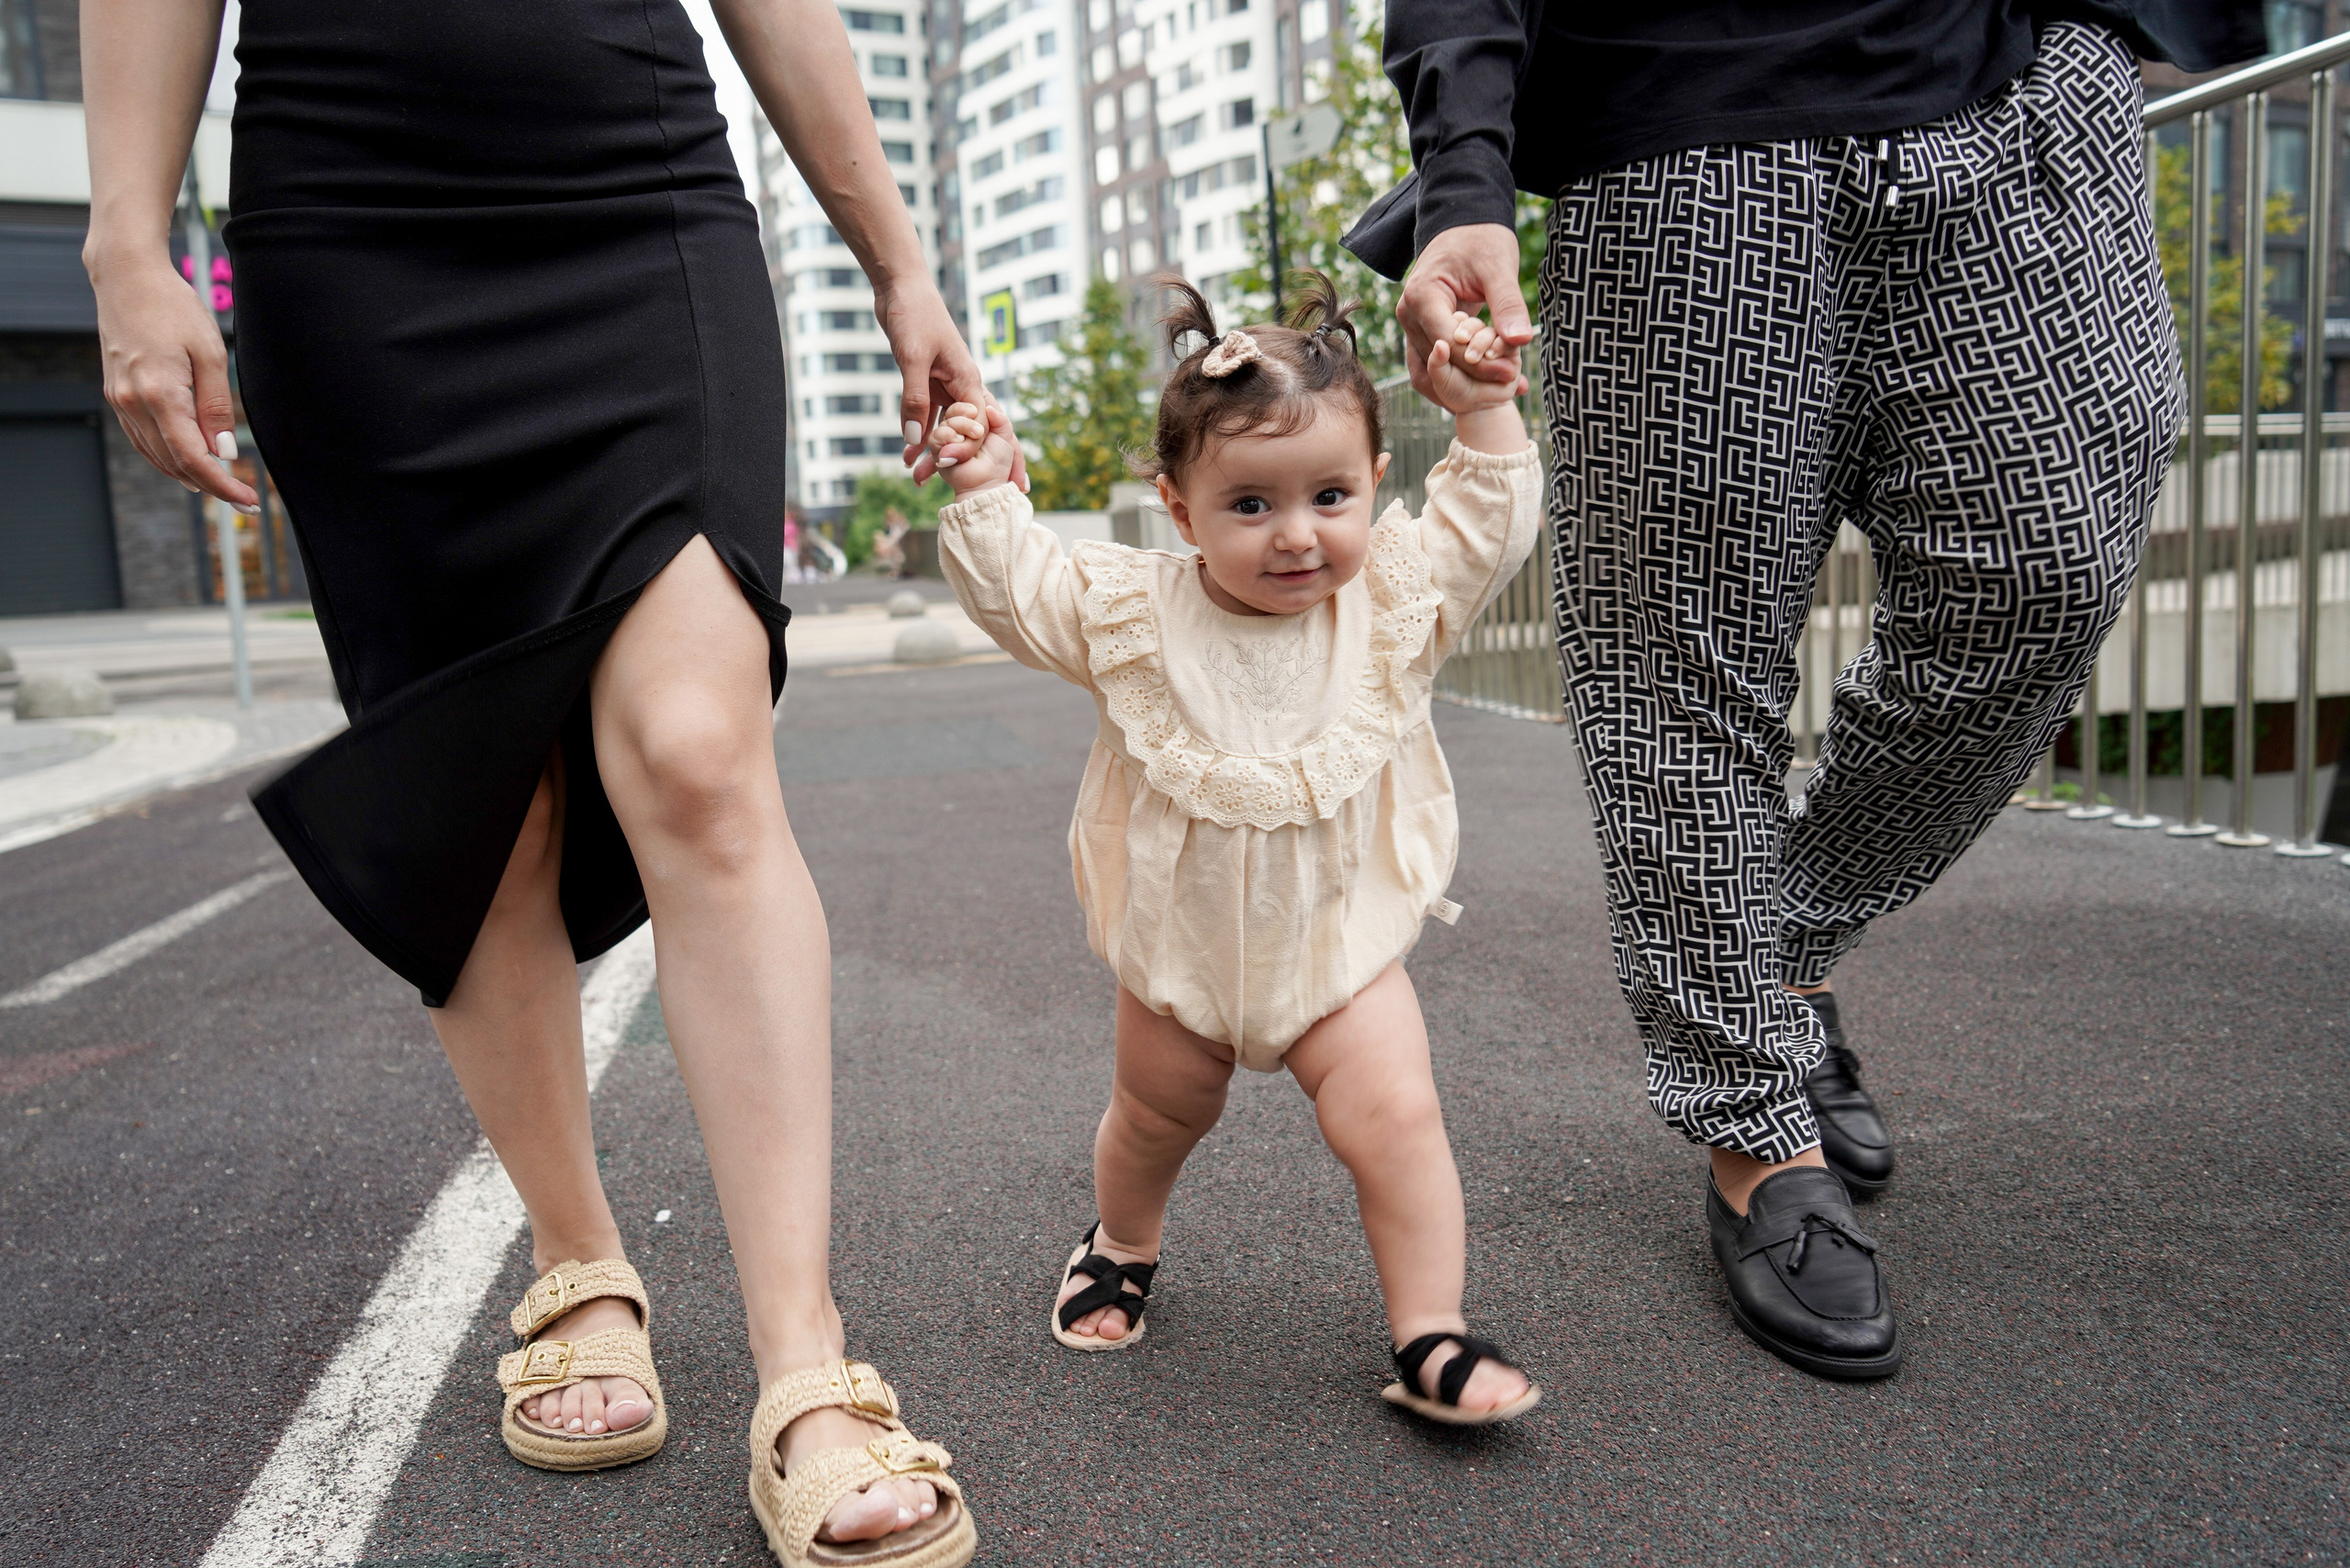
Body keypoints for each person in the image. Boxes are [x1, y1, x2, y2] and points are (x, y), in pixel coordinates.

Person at [81, 2, 1013, 1562]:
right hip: (352, 223)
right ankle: (579, 1260)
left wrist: (901, 266)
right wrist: (126, 238)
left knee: (699, 753)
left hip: (636, 197)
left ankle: (804, 1357)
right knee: (481, 793)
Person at [1345, 2, 2267, 1381]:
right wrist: (1463, 178)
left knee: (2047, 572)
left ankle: (1777, 950)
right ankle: (1757, 1129)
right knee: (1677, 670)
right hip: (1679, 137)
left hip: (2004, 90)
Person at [926, 274, 1545, 1424]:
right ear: (1179, 508)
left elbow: (1487, 530)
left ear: (1375, 483)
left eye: (1330, 495)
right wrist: (982, 482)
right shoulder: (1136, 615)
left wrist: (1483, 411)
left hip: (1340, 952)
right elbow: (1022, 595)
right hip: (1182, 955)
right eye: (1250, 504)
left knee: (1397, 1118)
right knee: (1154, 1116)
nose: (1297, 533)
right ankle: (1122, 1241)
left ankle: (1431, 1331)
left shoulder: (1393, 601)